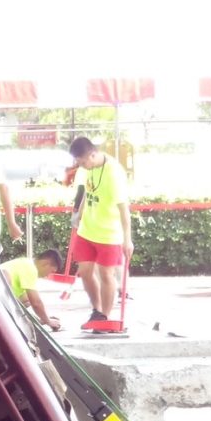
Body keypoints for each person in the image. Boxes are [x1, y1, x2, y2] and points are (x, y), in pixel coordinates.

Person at [68, 136, 132, 332]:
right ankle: (96, 310)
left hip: (110, 234)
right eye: (78, 162)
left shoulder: (114, 173)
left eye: (83, 161)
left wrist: (127, 240)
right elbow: (86, 192)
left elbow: (124, 210)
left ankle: (105, 315)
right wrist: (78, 214)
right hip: (87, 230)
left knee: (106, 274)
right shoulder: (87, 169)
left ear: (93, 154)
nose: (81, 166)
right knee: (86, 273)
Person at [1, 249, 62, 331]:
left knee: (27, 298)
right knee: (32, 298)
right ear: (45, 264)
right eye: (51, 271)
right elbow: (36, 302)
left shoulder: (26, 263)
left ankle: (33, 319)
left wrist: (42, 317)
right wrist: (48, 321)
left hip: (0, 296)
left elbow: (29, 300)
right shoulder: (30, 268)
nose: (48, 276)